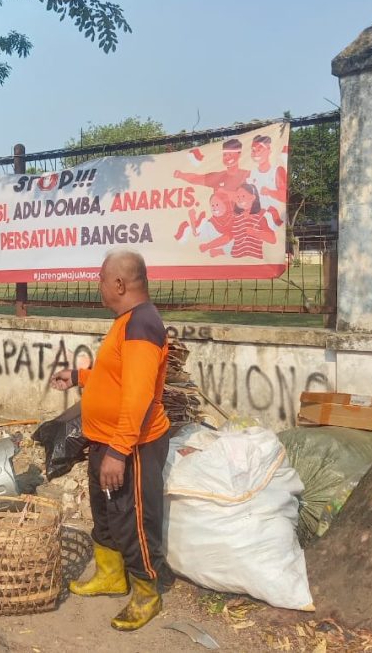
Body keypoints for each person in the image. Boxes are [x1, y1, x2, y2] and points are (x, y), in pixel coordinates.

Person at [50, 249, 173, 632]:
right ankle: (110, 576)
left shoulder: (142, 325)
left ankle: (146, 593)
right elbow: (115, 377)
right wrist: (79, 377)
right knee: (105, 513)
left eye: (101, 279)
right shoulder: (126, 322)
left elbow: (137, 398)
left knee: (132, 519)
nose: (97, 286)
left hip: (132, 446)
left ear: (119, 284)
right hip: (105, 440)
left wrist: (118, 452)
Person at [172, 138, 250, 194]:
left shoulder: (248, 175)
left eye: (230, 154)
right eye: (225, 155)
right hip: (219, 216)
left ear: (240, 154)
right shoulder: (218, 177)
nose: (227, 158)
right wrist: (181, 175)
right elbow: (196, 178)